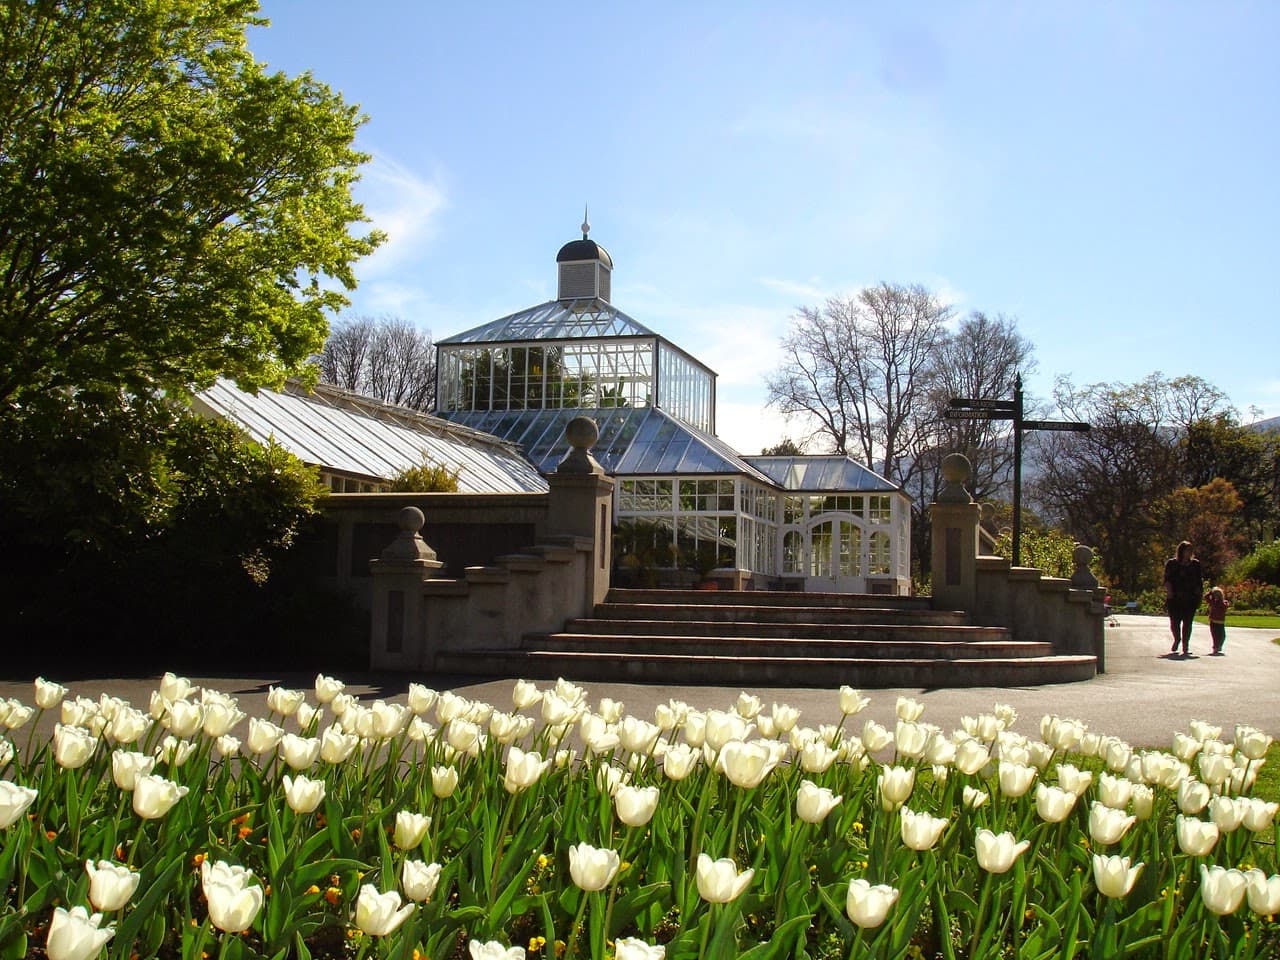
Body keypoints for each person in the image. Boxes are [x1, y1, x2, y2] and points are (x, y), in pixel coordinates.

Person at [1163, 541, 1203, 656]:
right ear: (1181, 551)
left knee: (1188, 623)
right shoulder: (1172, 564)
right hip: (1175, 597)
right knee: (1174, 622)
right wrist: (1169, 591)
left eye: (1190, 550)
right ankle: (1177, 638)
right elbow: (1167, 579)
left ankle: (1186, 645)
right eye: (1187, 550)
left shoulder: (1195, 564)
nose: (1189, 553)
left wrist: (1199, 595)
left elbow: (1199, 581)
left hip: (1190, 598)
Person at [1204, 586, 1230, 655]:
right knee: (1215, 636)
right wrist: (1210, 593)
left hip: (1221, 622)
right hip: (1213, 622)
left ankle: (1218, 646)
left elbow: (1225, 606)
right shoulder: (1213, 602)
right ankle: (1216, 647)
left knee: (1222, 636)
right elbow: (1206, 597)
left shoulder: (1223, 603)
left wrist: (1211, 594)